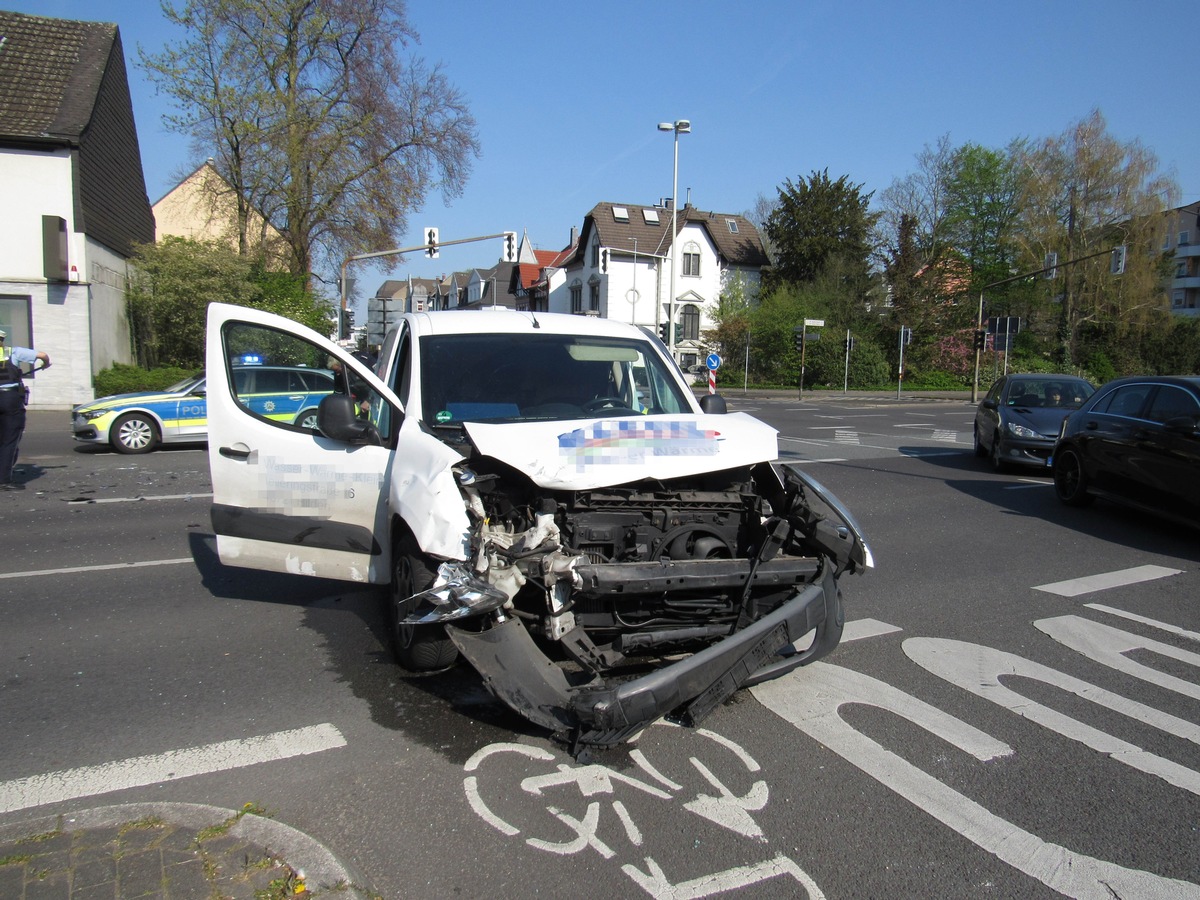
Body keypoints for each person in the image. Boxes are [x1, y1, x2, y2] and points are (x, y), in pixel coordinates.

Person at [0, 328, 51, 490]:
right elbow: (42, 355)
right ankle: (3, 481)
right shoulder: (13, 352)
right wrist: (46, 364)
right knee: (9, 440)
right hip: (10, 400)